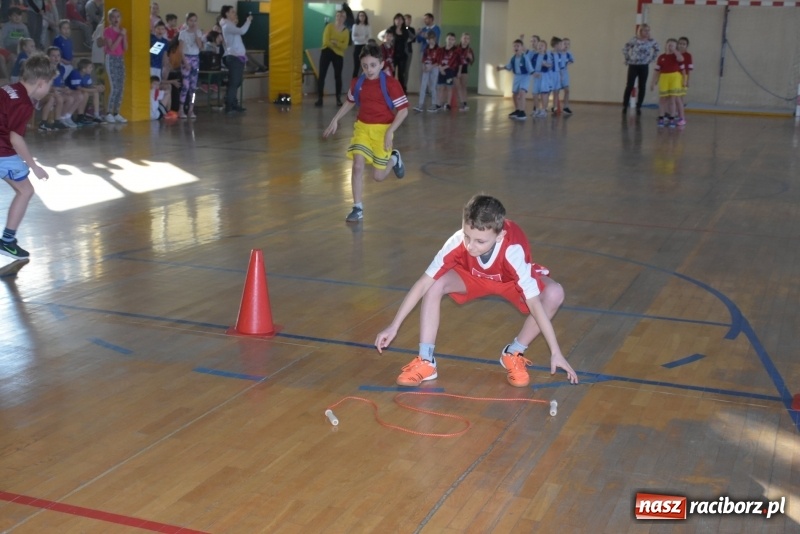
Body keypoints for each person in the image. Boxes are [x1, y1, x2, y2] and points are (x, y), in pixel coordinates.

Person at [375, 194, 579, 388]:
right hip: (472, 277)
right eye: (467, 236)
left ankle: (513, 353)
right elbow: (422, 283)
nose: (471, 246)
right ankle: (426, 360)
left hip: (510, 282)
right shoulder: (457, 242)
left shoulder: (512, 250)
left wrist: (555, 351)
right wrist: (394, 325)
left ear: (500, 236)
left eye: (480, 241)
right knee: (434, 282)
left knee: (554, 294)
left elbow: (534, 303)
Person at [322, 44, 408, 223]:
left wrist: (389, 132)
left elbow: (403, 111)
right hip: (362, 128)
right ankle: (357, 208)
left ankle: (394, 158)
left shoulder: (391, 84)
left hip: (383, 130)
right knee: (357, 165)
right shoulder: (358, 82)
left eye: (373, 65)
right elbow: (350, 101)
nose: (369, 70)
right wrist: (336, 119)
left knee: (378, 177)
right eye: (365, 66)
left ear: (382, 64)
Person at [0, 53, 56, 260]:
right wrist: (34, 166)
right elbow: (15, 138)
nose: (49, 88)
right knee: (26, 190)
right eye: (50, 84)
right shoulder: (24, 103)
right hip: (2, 151)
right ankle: (7, 241)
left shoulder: (9, 88)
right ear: (41, 83)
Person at [220, 4, 251, 114]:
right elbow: (242, 31)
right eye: (232, 12)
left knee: (237, 82)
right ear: (227, 13)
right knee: (234, 82)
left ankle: (233, 103)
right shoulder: (227, 26)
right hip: (234, 57)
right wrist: (248, 21)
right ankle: (229, 106)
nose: (234, 13)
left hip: (238, 57)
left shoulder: (230, 26)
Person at [622, 23, 659, 115]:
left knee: (642, 86)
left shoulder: (651, 41)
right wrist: (628, 59)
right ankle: (625, 105)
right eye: (645, 30)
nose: (647, 32)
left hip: (644, 66)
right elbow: (625, 48)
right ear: (640, 31)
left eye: (648, 30)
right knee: (629, 85)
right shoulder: (634, 39)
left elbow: (657, 49)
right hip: (633, 65)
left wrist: (652, 58)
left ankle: (639, 106)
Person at [315, 10, 349, 107]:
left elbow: (345, 46)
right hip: (326, 51)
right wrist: (337, 44)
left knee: (338, 76)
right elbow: (325, 41)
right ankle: (320, 98)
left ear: (344, 18)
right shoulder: (329, 26)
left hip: (338, 55)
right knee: (322, 74)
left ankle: (338, 98)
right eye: (337, 16)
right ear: (335, 17)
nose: (339, 18)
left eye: (341, 16)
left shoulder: (346, 31)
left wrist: (335, 43)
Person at [650, 37, 685, 127]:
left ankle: (672, 118)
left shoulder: (676, 56)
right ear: (666, 45)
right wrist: (653, 82)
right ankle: (661, 117)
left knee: (673, 99)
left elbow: (681, 59)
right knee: (662, 99)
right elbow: (656, 70)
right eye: (669, 44)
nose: (670, 46)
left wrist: (675, 51)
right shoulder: (661, 57)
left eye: (673, 45)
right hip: (664, 78)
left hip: (674, 78)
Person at [496, 39, 533, 120]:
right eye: (514, 46)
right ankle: (517, 110)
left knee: (522, 93)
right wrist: (501, 68)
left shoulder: (525, 57)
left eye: (518, 46)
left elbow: (529, 67)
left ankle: (522, 111)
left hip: (525, 76)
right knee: (514, 95)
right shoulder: (512, 58)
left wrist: (533, 73)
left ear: (522, 48)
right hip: (517, 77)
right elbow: (508, 66)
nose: (516, 47)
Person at [103, 7, 126, 123]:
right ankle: (108, 112)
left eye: (118, 17)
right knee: (114, 87)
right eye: (113, 17)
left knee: (121, 87)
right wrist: (120, 36)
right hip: (111, 58)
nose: (116, 19)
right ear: (109, 19)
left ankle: (116, 112)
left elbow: (125, 47)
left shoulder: (122, 30)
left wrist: (124, 35)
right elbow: (112, 48)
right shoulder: (107, 31)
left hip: (120, 58)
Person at [178, 12, 202, 119]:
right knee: (186, 85)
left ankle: (191, 109)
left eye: (195, 20)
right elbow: (180, 49)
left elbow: (200, 46)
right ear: (187, 21)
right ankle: (181, 108)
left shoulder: (198, 33)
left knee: (193, 87)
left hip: (195, 59)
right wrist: (185, 62)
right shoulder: (183, 33)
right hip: (186, 58)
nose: (193, 23)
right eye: (191, 20)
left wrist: (196, 34)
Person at [413, 30, 440, 112]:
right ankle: (420, 104)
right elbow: (424, 58)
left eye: (431, 39)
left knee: (433, 86)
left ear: (435, 39)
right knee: (423, 86)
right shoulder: (426, 48)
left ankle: (434, 104)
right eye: (428, 39)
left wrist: (431, 67)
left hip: (434, 68)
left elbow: (438, 61)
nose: (430, 40)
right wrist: (424, 67)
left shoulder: (438, 49)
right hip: (426, 67)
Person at [386, 13, 410, 92]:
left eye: (400, 19)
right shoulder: (391, 29)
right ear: (394, 20)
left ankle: (401, 91)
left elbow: (412, 37)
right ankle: (390, 91)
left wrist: (407, 26)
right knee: (391, 73)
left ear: (403, 21)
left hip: (402, 55)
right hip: (392, 55)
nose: (398, 21)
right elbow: (386, 39)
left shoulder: (405, 30)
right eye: (396, 19)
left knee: (401, 75)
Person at [456, 32, 474, 112]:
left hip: (464, 69)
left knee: (463, 86)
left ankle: (465, 102)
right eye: (464, 38)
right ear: (461, 39)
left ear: (469, 40)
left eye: (467, 38)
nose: (465, 40)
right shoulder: (456, 48)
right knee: (458, 86)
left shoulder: (469, 50)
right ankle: (461, 102)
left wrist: (470, 58)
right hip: (456, 69)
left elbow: (472, 62)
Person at [350, 10, 370, 78]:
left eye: (363, 15)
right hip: (357, 47)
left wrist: (359, 36)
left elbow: (369, 38)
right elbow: (354, 38)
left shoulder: (367, 26)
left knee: (365, 67)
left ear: (365, 17)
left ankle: (364, 83)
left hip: (365, 47)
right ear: (358, 17)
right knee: (356, 66)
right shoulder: (355, 26)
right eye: (360, 15)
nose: (362, 17)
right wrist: (364, 36)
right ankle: (354, 84)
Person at [560, 37, 574, 115]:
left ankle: (565, 107)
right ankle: (555, 107)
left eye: (568, 44)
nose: (566, 45)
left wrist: (567, 63)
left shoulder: (569, 53)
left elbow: (572, 60)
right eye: (564, 43)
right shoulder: (558, 53)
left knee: (567, 90)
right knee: (556, 91)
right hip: (557, 73)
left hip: (565, 73)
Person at [677, 36, 692, 106]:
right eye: (680, 43)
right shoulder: (675, 54)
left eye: (684, 44)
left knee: (681, 95)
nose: (681, 45)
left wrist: (687, 80)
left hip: (684, 77)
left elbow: (689, 69)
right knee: (674, 95)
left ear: (686, 46)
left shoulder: (688, 56)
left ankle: (680, 111)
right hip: (675, 76)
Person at [402, 14, 415, 84]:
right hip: (400, 51)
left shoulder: (411, 29)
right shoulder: (400, 28)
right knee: (401, 70)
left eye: (410, 19)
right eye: (408, 19)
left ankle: (405, 86)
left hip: (409, 51)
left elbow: (413, 39)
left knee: (406, 70)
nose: (409, 21)